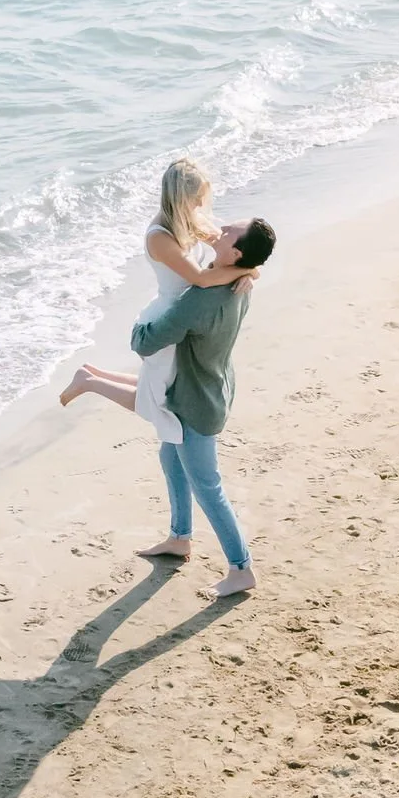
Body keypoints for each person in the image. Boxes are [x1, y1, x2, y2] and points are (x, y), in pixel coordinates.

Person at [126, 214, 277, 601]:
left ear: (236, 253)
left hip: (195, 404)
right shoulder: (239, 282)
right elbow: (240, 262)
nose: (222, 228)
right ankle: (179, 538)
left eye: (230, 232)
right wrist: (252, 270)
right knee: (170, 458)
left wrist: (141, 318)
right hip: (213, 388)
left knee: (208, 488)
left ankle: (241, 569)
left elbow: (144, 343)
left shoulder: (200, 299)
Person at [60, 158, 251, 432]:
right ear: (179, 197)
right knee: (159, 399)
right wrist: (244, 272)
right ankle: (90, 383)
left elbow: (225, 244)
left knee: (164, 385)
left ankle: (92, 374)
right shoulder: (159, 237)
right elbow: (200, 278)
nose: (199, 206)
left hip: (184, 313)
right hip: (168, 317)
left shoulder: (187, 220)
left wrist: (249, 268)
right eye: (195, 199)